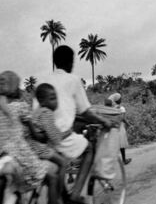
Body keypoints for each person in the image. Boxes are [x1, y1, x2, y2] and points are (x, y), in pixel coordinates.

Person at [34, 45, 113, 203]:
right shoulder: (73, 80)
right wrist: (104, 121)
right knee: (89, 149)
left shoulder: (41, 81)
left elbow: (44, 110)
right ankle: (75, 194)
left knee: (60, 160)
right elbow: (85, 112)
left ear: (54, 61)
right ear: (70, 62)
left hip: (40, 135)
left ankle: (62, 195)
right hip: (58, 134)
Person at [0, 71, 58, 204]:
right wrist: (42, 136)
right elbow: (34, 133)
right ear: (17, 90)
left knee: (15, 186)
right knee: (52, 177)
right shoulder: (21, 107)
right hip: (19, 157)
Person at [22, 83, 70, 204]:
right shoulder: (46, 113)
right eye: (52, 98)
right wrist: (67, 133)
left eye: (56, 98)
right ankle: (58, 196)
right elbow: (54, 137)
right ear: (42, 101)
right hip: (36, 147)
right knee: (63, 163)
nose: (56, 102)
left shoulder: (37, 112)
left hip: (28, 146)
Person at [108, 93, 133, 165]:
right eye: (120, 98)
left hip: (113, 127)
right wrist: (129, 124)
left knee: (114, 145)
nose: (121, 99)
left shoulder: (112, 108)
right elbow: (123, 118)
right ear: (118, 100)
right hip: (120, 127)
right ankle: (124, 160)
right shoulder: (121, 108)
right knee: (121, 145)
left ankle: (110, 162)